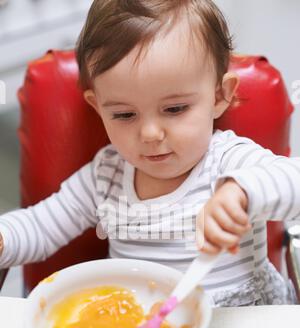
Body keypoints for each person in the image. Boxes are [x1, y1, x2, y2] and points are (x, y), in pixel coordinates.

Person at [1, 0, 299, 307]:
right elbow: (39, 226)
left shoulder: (228, 160)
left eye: (174, 109)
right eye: (124, 115)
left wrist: (243, 192)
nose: (150, 134)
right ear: (98, 107)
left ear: (219, 95)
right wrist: (4, 238)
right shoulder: (106, 176)